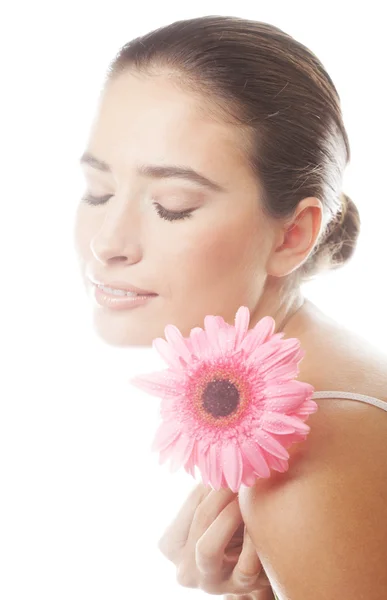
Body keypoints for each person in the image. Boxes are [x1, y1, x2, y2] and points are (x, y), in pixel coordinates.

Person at [73, 15, 387, 600]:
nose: (107, 242)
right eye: (98, 192)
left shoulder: (310, 454)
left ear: (293, 235)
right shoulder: (323, 373)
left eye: (172, 205)